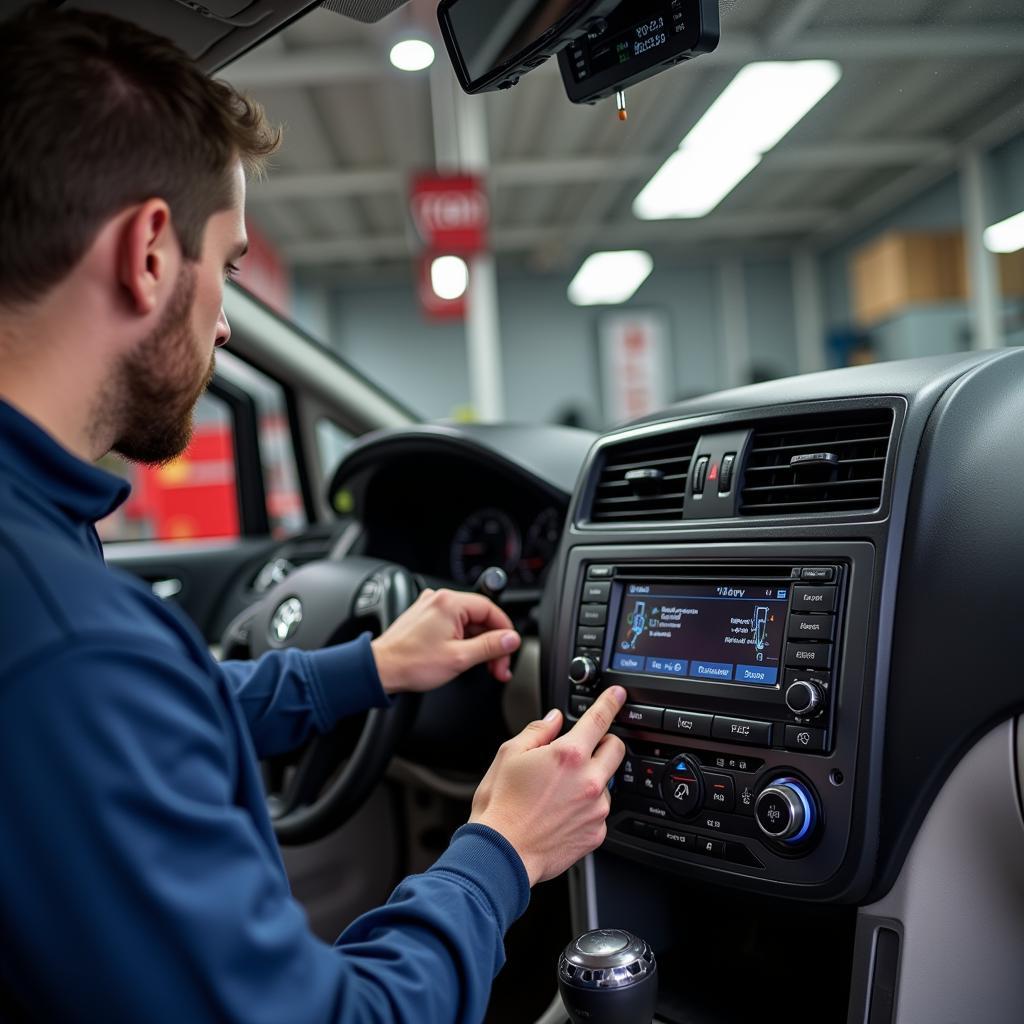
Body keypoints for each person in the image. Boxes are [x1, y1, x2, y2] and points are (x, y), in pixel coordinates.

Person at [0, 8, 627, 1022]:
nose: (228, 316)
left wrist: (370, 669)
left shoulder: (43, 559)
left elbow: (156, 715)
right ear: (151, 252)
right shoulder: (66, 641)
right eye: (231, 263)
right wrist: (500, 851)